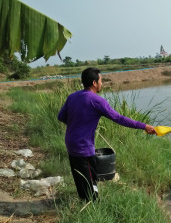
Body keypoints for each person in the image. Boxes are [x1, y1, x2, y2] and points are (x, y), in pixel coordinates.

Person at [58, 67, 156, 201]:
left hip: (70, 143)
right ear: (94, 83)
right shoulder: (97, 100)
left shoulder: (72, 96)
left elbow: (61, 117)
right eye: (101, 81)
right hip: (83, 147)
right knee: (90, 180)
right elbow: (119, 118)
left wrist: (78, 125)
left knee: (79, 176)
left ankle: (84, 201)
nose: (101, 84)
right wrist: (144, 126)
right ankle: (93, 206)